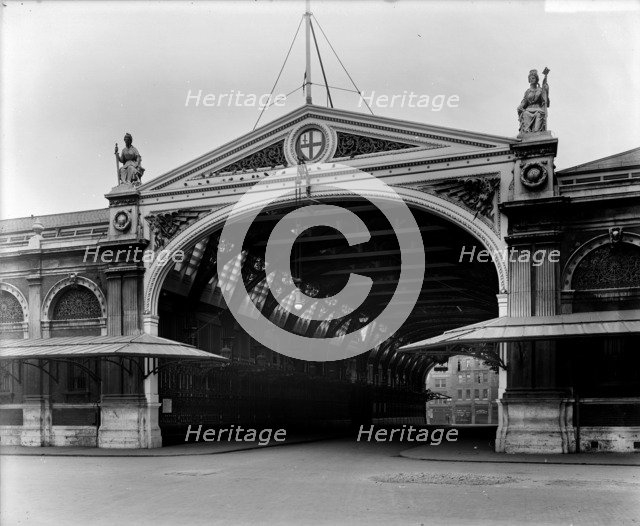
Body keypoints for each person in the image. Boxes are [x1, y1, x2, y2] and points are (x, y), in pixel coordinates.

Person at [517, 69, 549, 135]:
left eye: (533, 78)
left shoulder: (540, 90)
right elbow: (524, 101)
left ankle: (537, 133)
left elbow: (545, 101)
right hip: (528, 110)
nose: (531, 79)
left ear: (536, 79)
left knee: (539, 115)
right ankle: (527, 133)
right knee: (525, 113)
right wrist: (520, 107)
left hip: (538, 110)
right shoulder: (528, 92)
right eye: (530, 78)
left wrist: (546, 90)